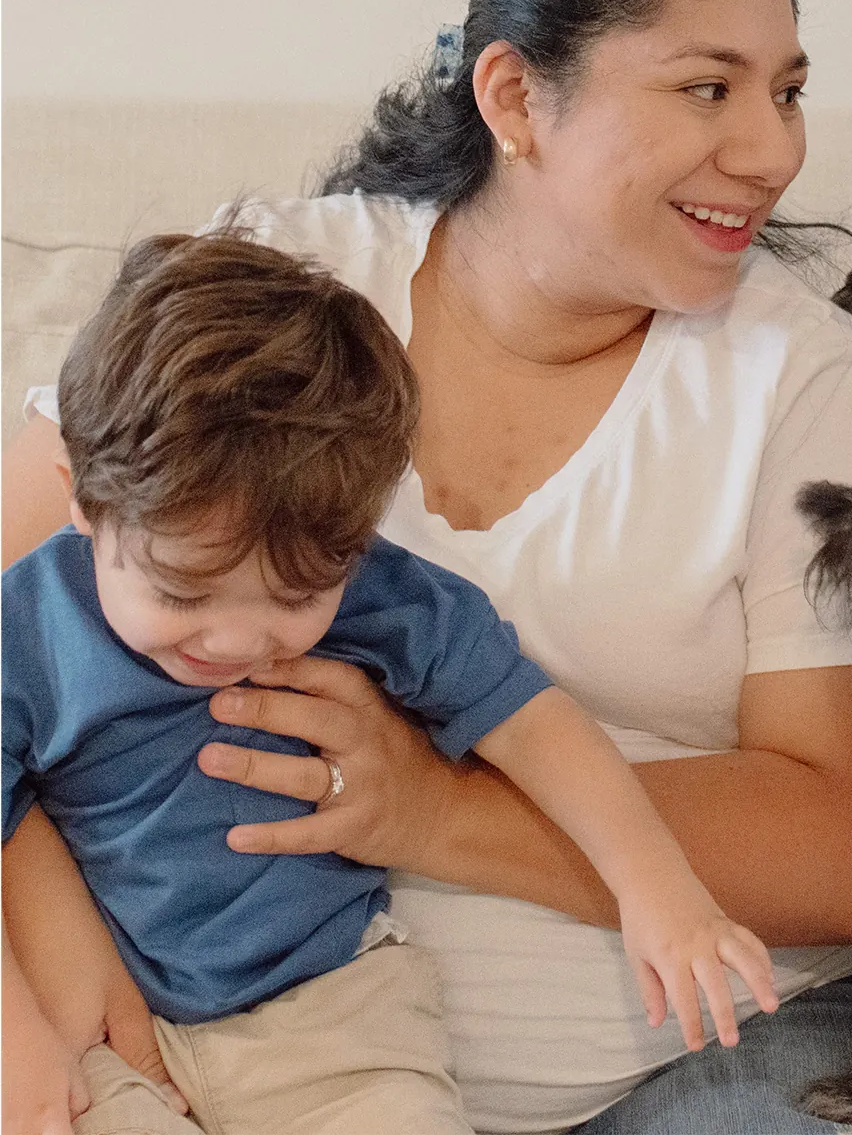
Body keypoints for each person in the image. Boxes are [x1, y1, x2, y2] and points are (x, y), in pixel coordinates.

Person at [0, 0, 852, 1132]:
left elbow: (847, 855)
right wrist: (50, 946)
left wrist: (433, 807)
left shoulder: (804, 377)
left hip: (677, 1064)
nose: (773, 151)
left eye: (788, 92)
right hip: (164, 1030)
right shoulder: (273, 290)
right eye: (708, 89)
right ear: (516, 97)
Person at [3, 231, 781, 1135]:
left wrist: (658, 889)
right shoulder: (26, 626)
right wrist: (15, 1032)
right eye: (183, 589)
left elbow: (532, 720)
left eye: (296, 595)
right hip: (100, 1032)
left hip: (337, 1015)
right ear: (83, 500)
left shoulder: (376, 592)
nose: (238, 636)